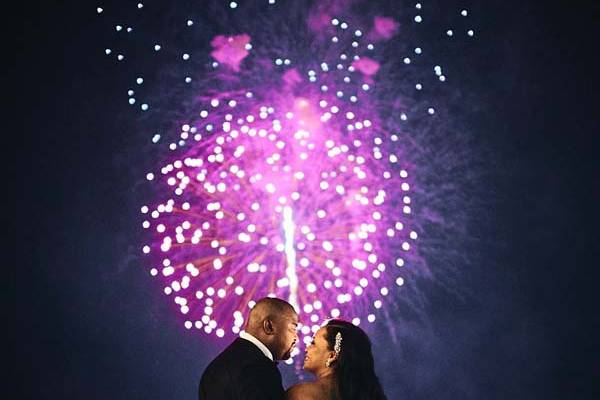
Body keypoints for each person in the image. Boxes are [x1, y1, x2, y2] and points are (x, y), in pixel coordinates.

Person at [199, 297, 299, 400]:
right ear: (268, 326)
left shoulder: (216, 367)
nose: (297, 338)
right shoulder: (259, 368)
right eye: (293, 328)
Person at [285, 319, 387, 400]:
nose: (307, 349)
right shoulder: (368, 395)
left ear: (332, 356)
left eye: (313, 343)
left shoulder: (302, 394)